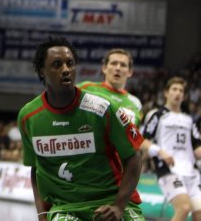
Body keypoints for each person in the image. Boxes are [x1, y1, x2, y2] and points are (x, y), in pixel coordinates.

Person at [18, 36, 144, 221]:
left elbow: (134, 156)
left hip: (110, 202)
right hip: (66, 208)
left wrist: (118, 206)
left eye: (70, 64)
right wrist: (42, 214)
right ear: (42, 71)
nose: (66, 70)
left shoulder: (103, 108)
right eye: (57, 65)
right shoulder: (28, 116)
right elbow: (36, 167)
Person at [141, 77, 201, 221]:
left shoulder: (189, 120)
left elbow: (197, 148)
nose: (178, 93)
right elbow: (142, 141)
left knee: (199, 213)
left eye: (181, 90)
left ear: (184, 96)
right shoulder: (158, 115)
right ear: (166, 93)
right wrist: (160, 152)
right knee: (184, 208)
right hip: (168, 170)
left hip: (191, 172)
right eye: (174, 89)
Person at [79, 48, 144, 126]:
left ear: (130, 72)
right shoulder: (86, 88)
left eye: (123, 65)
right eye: (113, 63)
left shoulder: (136, 103)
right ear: (104, 68)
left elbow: (136, 131)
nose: (118, 68)